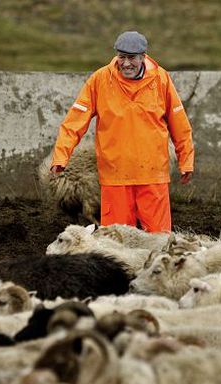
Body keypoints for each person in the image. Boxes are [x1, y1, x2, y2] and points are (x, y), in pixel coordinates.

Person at [49, 30, 194, 233]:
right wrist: (60, 157)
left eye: (132, 58)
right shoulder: (99, 80)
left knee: (159, 237)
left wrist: (185, 160)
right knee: (116, 239)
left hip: (152, 176)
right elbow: (74, 122)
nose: (126, 63)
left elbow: (179, 123)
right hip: (115, 176)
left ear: (143, 57)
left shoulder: (161, 80)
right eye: (122, 57)